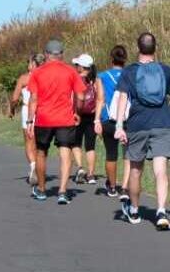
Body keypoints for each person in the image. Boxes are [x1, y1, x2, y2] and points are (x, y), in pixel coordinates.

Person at [114, 32, 170, 229]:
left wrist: (120, 126)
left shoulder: (129, 71)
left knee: (136, 170)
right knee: (161, 169)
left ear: (138, 48)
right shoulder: (164, 70)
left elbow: (122, 99)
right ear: (155, 48)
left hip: (137, 125)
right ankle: (162, 211)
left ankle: (135, 210)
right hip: (162, 122)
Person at [27, 39, 86, 205]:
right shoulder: (70, 71)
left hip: (44, 119)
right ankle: (62, 191)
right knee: (65, 151)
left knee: (41, 152)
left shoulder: (38, 72)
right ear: (61, 54)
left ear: (46, 54)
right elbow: (81, 96)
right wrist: (77, 112)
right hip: (65, 118)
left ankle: (42, 189)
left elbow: (33, 98)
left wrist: (30, 120)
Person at [93, 44, 132, 199]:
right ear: (125, 59)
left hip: (109, 120)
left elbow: (100, 99)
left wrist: (96, 120)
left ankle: (112, 187)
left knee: (111, 153)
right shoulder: (131, 75)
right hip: (128, 119)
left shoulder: (102, 76)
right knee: (129, 154)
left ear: (111, 59)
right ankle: (125, 186)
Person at [10, 53, 45, 184]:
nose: (27, 65)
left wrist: (12, 109)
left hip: (27, 109)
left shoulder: (24, 78)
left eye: (29, 63)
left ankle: (33, 166)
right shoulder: (45, 77)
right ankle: (37, 167)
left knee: (28, 140)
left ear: (33, 65)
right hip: (42, 109)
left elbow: (14, 98)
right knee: (37, 141)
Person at [70, 54, 99, 185]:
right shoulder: (95, 79)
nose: (76, 67)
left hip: (78, 114)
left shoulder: (75, 79)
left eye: (77, 65)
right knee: (90, 146)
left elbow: (72, 97)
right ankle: (91, 175)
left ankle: (80, 168)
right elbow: (99, 98)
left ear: (82, 67)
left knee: (76, 143)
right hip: (92, 115)